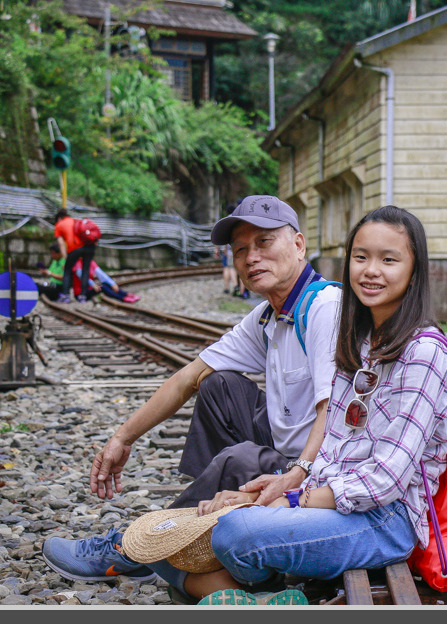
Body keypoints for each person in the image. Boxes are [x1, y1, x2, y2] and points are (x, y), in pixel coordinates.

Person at [41, 195, 341, 588]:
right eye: (240, 250)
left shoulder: (324, 306)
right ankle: (198, 538)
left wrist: (296, 472)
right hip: (292, 453)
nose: (251, 258)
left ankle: (138, 550)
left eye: (264, 243)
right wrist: (122, 438)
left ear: (299, 245)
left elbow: (332, 411)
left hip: (321, 471)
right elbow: (187, 377)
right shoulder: (268, 315)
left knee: (240, 457)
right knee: (218, 384)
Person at [175, 205, 447, 604]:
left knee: (232, 531)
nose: (370, 270)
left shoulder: (423, 353)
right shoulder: (360, 342)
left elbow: (386, 481)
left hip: (384, 522)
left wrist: (292, 500)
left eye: (389, 259)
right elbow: (333, 443)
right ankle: (264, 598)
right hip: (336, 502)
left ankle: (257, 583)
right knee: (173, 537)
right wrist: (277, 488)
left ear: (414, 270)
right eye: (360, 257)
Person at [53, 208, 95, 303]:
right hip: (89, 246)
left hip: (75, 248)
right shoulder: (75, 220)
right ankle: (83, 296)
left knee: (67, 270)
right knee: (85, 270)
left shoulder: (59, 225)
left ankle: (66, 295)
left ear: (59, 218)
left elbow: (61, 244)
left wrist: (65, 258)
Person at [71, 259, 141, 303]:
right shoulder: (78, 264)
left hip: (89, 289)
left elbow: (101, 274)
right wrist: (93, 285)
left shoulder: (91, 262)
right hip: (81, 294)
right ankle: (123, 298)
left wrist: (112, 284)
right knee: (103, 287)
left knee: (106, 284)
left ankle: (126, 295)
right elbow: (82, 277)